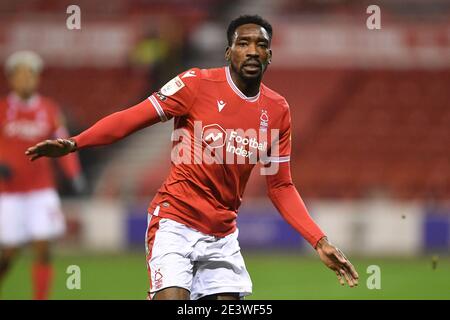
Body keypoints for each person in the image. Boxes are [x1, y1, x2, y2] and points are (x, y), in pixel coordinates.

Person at [26, 15, 359, 300]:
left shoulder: (277, 110)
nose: (252, 51)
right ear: (229, 52)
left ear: (270, 55)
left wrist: (319, 241)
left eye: (260, 45)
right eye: (243, 44)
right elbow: (133, 117)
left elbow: (281, 186)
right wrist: (75, 142)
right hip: (175, 222)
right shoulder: (195, 84)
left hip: (222, 235)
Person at [0, 51, 84, 299]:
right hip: (9, 193)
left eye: (31, 73)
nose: (26, 79)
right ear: (11, 78)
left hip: (41, 190)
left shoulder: (49, 109)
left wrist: (74, 174)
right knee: (9, 252)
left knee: (43, 246)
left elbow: (64, 145)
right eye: (21, 74)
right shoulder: (2, 109)